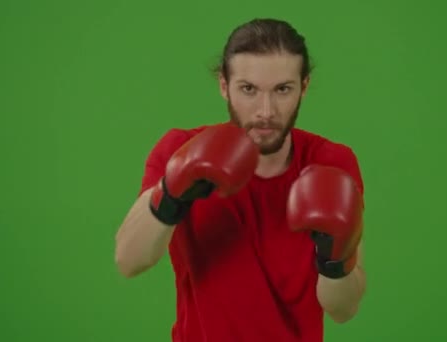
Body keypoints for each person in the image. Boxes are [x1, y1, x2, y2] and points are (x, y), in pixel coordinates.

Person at [114, 18, 366, 342]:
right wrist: (171, 193)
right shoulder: (181, 149)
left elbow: (343, 310)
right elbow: (129, 260)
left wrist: (335, 257)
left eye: (282, 89)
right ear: (224, 86)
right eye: (248, 89)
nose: (265, 111)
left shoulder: (330, 163)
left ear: (304, 86)